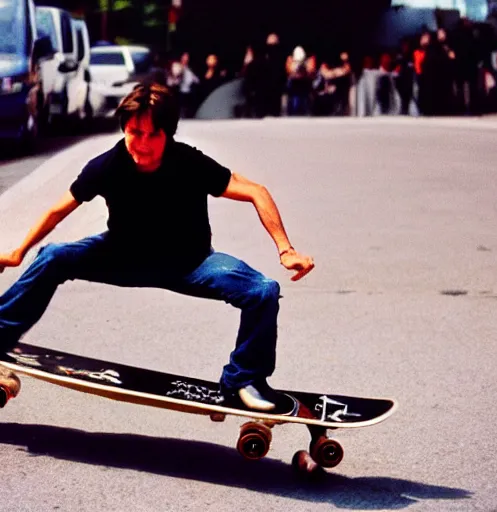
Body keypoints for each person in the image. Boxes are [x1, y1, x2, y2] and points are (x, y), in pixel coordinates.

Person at [0, 83, 314, 411]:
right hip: (120, 256)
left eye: (153, 135)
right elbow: (58, 210)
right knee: (52, 257)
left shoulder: (190, 163)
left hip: (189, 264)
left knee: (262, 291)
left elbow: (256, 191)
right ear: (124, 128)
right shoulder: (107, 165)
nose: (143, 145)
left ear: (169, 135)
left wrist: (285, 249)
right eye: (135, 132)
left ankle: (244, 379)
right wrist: (18, 251)